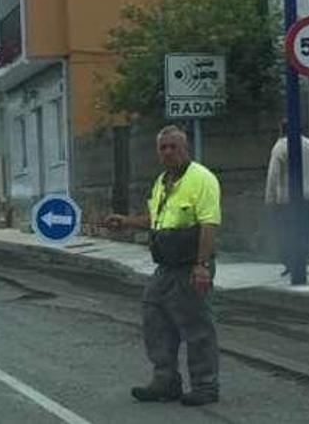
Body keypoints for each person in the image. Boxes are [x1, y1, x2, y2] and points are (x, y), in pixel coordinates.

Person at [105, 125, 221, 407]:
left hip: (190, 265)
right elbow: (155, 219)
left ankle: (206, 386)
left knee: (196, 327)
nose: (168, 151)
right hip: (165, 268)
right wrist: (126, 222)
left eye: (173, 146)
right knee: (154, 318)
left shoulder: (202, 179)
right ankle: (165, 381)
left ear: (185, 148)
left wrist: (202, 265)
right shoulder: (161, 182)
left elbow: (209, 224)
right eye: (163, 147)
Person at [265, 120, 309, 278]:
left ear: (281, 130)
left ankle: (292, 262)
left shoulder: (280, 147)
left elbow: (273, 175)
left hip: (288, 198)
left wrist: (270, 198)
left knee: (288, 231)